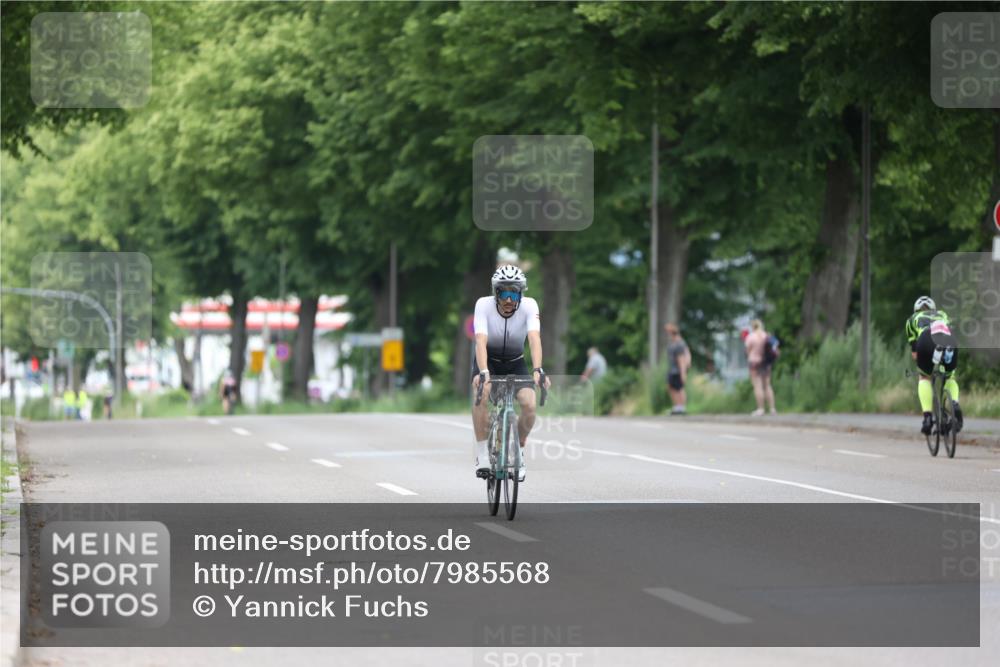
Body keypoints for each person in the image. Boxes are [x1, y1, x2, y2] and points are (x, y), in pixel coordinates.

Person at [471, 265, 550, 481]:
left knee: (530, 405)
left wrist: (537, 369)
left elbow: (534, 338)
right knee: (482, 391)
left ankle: (519, 448)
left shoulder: (529, 305)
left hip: (516, 362)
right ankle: (482, 456)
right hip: (488, 360)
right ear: (496, 293)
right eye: (504, 292)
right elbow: (480, 340)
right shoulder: (483, 305)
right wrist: (484, 371)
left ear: (520, 294)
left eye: (513, 293)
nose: (508, 299)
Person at [906, 296, 962, 435]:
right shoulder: (942, 314)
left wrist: (922, 364)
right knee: (950, 377)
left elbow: (914, 352)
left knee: (924, 377)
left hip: (926, 338)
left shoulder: (912, 319)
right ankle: (954, 403)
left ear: (916, 310)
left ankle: (927, 418)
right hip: (948, 338)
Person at [745, 319, 776, 416]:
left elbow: (747, 351)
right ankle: (772, 409)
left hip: (754, 363)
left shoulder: (751, 337)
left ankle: (761, 409)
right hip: (766, 363)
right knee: (767, 385)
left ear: (752, 327)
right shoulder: (767, 335)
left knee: (757, 386)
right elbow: (775, 347)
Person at [664, 323, 691, 415]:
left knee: (680, 388)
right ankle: (677, 406)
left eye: (668, 332)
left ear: (672, 332)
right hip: (672, 369)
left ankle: (682, 407)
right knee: (671, 387)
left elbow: (682, 359)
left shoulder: (679, 344)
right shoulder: (674, 343)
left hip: (678, 369)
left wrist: (683, 372)